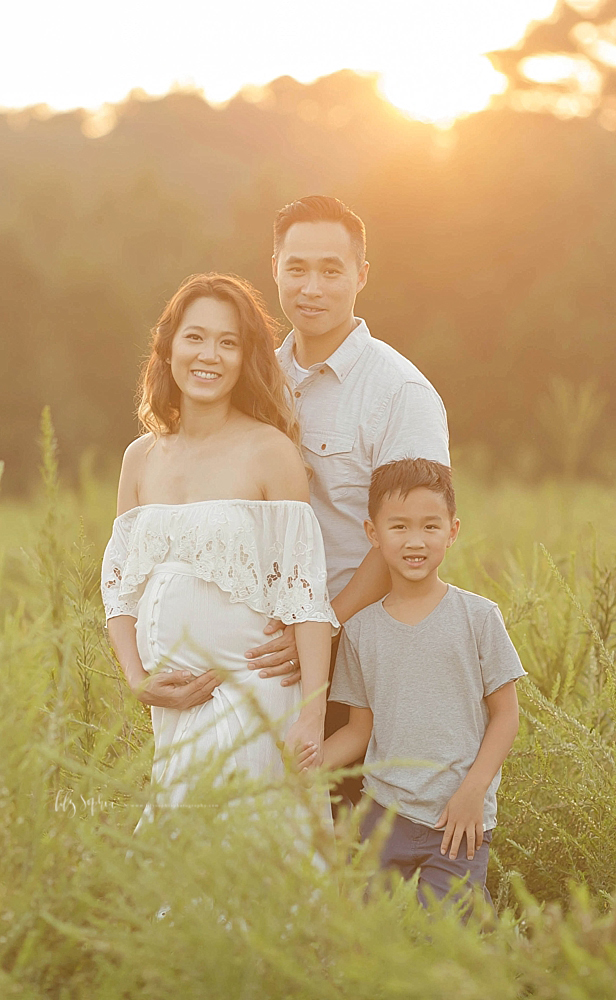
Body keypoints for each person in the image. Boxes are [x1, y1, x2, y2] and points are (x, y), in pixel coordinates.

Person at [100, 272, 337, 817]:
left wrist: (311, 713)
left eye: (228, 342)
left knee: (250, 864)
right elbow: (119, 595)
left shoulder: (270, 451)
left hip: (256, 698)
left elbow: (306, 596)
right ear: (168, 347)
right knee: (182, 872)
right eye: (195, 337)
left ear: (246, 357)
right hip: (176, 712)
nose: (210, 355)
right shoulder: (140, 458)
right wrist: (139, 682)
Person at [243, 194, 452, 805]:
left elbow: (410, 542)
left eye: (331, 270)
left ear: (361, 276)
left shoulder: (400, 392)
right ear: (274, 268)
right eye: (297, 268)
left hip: (360, 655)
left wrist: (326, 630)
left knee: (351, 839)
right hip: (261, 651)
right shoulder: (255, 383)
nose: (312, 287)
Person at [320, 458, 525, 910]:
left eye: (430, 527)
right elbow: (359, 730)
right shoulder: (360, 630)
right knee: (371, 939)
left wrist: (474, 791)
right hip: (380, 816)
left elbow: (506, 715)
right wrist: (297, 771)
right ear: (373, 535)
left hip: (457, 820)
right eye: (399, 528)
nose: (416, 542)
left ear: (452, 531)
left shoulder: (478, 618)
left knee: (448, 939)